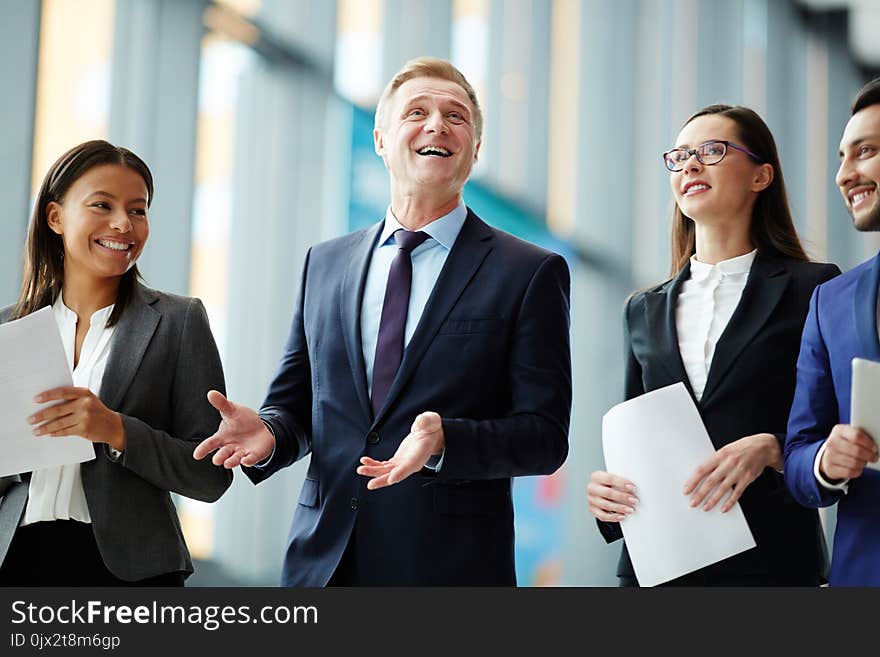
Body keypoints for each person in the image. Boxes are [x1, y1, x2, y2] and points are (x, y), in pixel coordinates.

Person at [193, 57, 571, 586]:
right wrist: (271, 435)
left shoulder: (528, 272)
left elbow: (545, 437)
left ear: (476, 149)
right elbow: (299, 405)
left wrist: (445, 441)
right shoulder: (324, 264)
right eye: (417, 112)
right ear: (381, 139)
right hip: (323, 563)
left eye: (455, 116)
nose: (437, 124)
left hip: (450, 569)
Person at [587, 105, 839, 586]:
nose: (690, 165)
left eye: (711, 150)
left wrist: (774, 447)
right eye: (680, 156)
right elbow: (635, 438)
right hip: (657, 565)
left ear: (761, 176)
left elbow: (845, 428)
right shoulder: (642, 309)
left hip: (774, 560)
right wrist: (607, 497)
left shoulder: (814, 289)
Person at [0, 140, 231, 586]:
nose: (123, 223)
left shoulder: (178, 322)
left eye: (138, 210)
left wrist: (116, 430)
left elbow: (210, 476)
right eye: (102, 205)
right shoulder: (9, 328)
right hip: (15, 559)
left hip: (129, 572)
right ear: (55, 217)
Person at [785, 78, 880, 586]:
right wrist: (827, 460)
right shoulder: (831, 302)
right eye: (843, 157)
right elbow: (798, 450)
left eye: (865, 152)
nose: (844, 175)